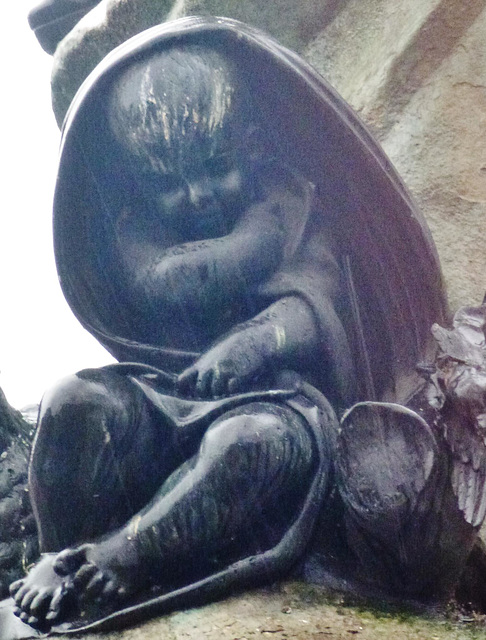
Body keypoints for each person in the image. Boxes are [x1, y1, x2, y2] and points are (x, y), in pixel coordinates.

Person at [9, 43, 354, 629]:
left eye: (216, 168)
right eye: (168, 183)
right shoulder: (137, 239)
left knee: (248, 444)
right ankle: (58, 554)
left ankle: (123, 556)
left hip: (274, 400)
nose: (197, 197)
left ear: (251, 146)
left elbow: (312, 305)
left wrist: (255, 340)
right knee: (73, 400)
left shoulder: (290, 211)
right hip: (166, 395)